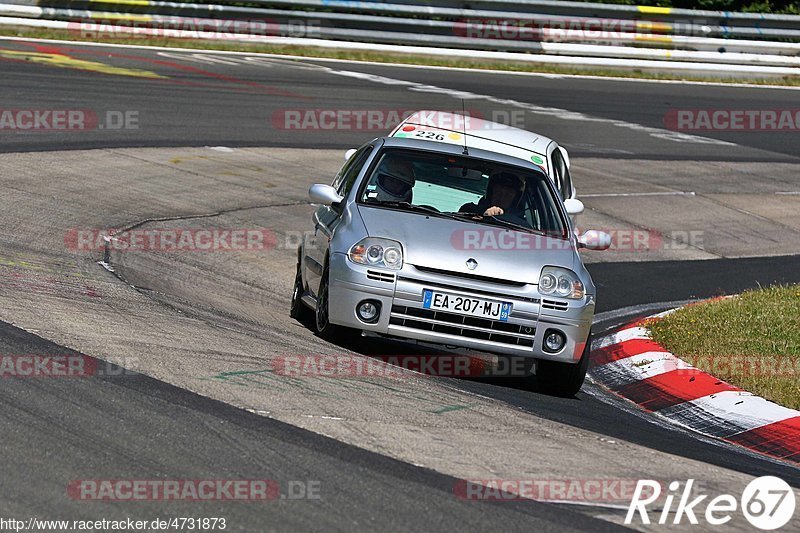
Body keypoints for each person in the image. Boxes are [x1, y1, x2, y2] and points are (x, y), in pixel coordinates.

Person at [460, 171, 527, 222]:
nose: (501, 197)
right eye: (498, 192)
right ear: (490, 192)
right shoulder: (468, 210)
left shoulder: (521, 226)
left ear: (515, 199)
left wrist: (502, 218)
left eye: (508, 194)